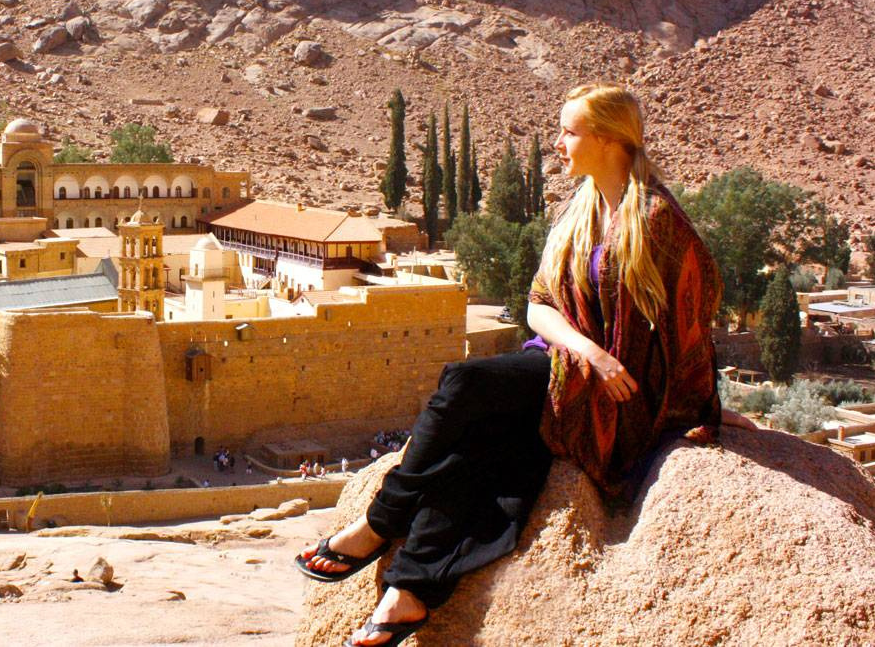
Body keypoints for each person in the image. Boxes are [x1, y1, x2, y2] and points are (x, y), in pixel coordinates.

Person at [294, 83, 757, 647]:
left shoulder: (657, 220)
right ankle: (410, 592)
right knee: (479, 451)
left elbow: (694, 313)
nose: (558, 144)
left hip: (611, 393)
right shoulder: (580, 210)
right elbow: (539, 305)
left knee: (463, 382)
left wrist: (703, 406)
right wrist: (586, 348)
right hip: (571, 365)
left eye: (569, 132)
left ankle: (380, 523)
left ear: (610, 139)